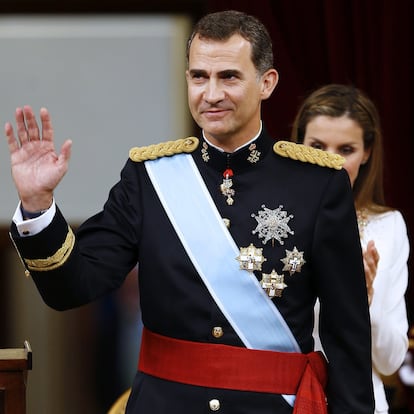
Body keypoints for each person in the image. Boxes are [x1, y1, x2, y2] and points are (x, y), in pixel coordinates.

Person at [4, 10, 374, 414]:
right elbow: (74, 287)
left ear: (267, 83)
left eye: (228, 77)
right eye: (199, 76)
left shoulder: (317, 184)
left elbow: (347, 335)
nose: (211, 94)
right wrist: (39, 204)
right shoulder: (149, 178)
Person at [290, 83, 409, 413]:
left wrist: (363, 305)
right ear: (297, 145)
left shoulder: (387, 227)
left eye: (345, 149)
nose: (329, 161)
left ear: (367, 152)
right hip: (284, 399)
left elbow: (389, 362)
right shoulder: (273, 219)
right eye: (316, 145)